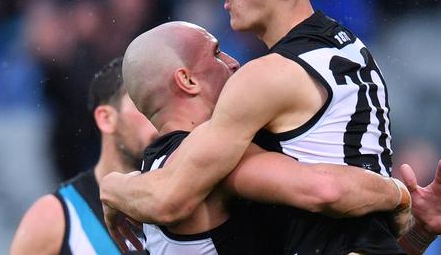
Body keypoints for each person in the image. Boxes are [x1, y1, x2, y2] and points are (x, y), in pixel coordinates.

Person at [101, 0, 441, 254]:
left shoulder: (265, 79)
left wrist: (113, 185)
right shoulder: (351, 51)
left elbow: (172, 196)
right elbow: (352, 224)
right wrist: (406, 211)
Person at [102, 22, 413, 254]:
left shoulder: (155, 170)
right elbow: (325, 189)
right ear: (187, 80)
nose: (233, 62)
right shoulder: (212, 166)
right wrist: (398, 195)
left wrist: (420, 234)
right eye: (216, 53)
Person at [10, 57, 158, 255]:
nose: (158, 116)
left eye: (162, 104)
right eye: (143, 103)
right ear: (106, 119)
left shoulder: (190, 198)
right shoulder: (56, 217)